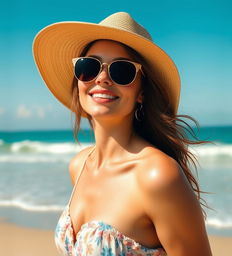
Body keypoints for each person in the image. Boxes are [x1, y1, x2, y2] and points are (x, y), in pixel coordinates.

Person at [33, 12, 212, 256]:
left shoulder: (157, 176)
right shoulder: (79, 165)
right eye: (89, 67)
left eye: (122, 71)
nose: (103, 78)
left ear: (142, 92)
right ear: (78, 81)